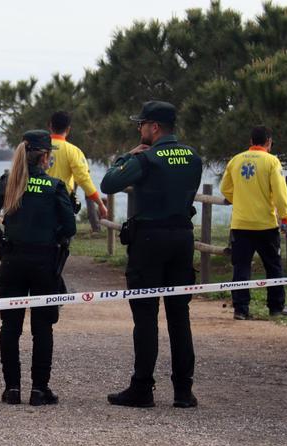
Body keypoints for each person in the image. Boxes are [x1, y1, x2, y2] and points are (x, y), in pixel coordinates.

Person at [100, 101, 202, 408]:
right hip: (183, 238)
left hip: (149, 239)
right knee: (179, 317)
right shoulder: (194, 157)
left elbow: (109, 182)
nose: (139, 129)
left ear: (154, 127)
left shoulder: (147, 157)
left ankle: (142, 387)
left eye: (141, 124)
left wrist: (125, 156)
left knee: (145, 316)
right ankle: (183, 391)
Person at [0, 130, 76, 406]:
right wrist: (53, 237)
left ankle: (11, 389)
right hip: (44, 263)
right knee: (42, 327)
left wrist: (2, 241)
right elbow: (69, 227)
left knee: (10, 326)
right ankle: (39, 389)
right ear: (45, 156)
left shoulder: (9, 182)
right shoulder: (55, 186)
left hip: (12, 261)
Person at [220, 126, 287, 320]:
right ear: (268, 142)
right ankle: (276, 307)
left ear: (251, 141)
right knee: (273, 266)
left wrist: (240, 198)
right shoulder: (272, 161)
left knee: (241, 267)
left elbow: (225, 188)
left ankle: (241, 309)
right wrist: (284, 217)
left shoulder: (236, 160)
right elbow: (279, 193)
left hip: (240, 224)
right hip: (265, 225)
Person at [47, 111, 109, 292]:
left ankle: (52, 287)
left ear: (49, 125)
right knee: (61, 247)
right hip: (61, 207)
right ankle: (55, 288)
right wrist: (100, 203)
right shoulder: (72, 151)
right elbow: (84, 180)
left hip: (36, 203)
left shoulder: (39, 147)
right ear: (68, 129)